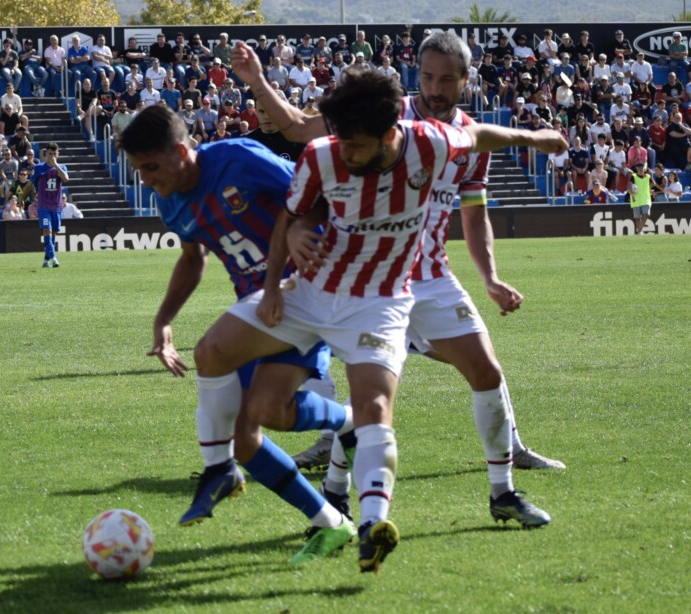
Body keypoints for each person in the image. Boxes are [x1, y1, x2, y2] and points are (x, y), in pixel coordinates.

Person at [231, 31, 567, 503]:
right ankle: (334, 477)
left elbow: (473, 212)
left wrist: (489, 277)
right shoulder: (379, 113)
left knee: (484, 368)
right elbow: (294, 128)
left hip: (429, 275)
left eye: (446, 79)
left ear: (466, 81)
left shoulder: (459, 138)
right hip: (365, 279)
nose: (435, 88)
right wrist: (259, 81)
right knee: (369, 394)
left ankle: (507, 473)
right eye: (427, 76)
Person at [120, 105, 356, 565]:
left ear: (183, 152)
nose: (146, 179)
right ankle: (332, 516)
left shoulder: (239, 159)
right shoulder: (169, 200)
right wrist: (163, 320)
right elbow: (193, 258)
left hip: (307, 292)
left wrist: (297, 235)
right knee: (251, 431)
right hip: (257, 310)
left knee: (211, 354)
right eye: (138, 170)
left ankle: (218, 469)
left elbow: (312, 193)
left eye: (151, 166)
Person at [22, 143, 68, 267]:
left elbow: (66, 179)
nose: (52, 156)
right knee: (47, 230)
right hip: (43, 206)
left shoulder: (62, 167)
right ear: (45, 154)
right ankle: (53, 258)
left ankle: (46, 260)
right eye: (49, 154)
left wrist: (56, 165)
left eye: (54, 154)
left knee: (53, 233)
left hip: (57, 206)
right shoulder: (39, 168)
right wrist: (22, 198)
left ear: (58, 154)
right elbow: (30, 184)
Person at [628, 163, 652, 234]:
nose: (640, 169)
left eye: (641, 167)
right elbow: (629, 184)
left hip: (645, 199)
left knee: (646, 214)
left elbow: (653, 183)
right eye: (639, 167)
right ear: (636, 168)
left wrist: (651, 190)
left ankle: (639, 230)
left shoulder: (648, 176)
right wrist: (631, 191)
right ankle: (639, 232)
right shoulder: (633, 176)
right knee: (637, 218)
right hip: (636, 199)